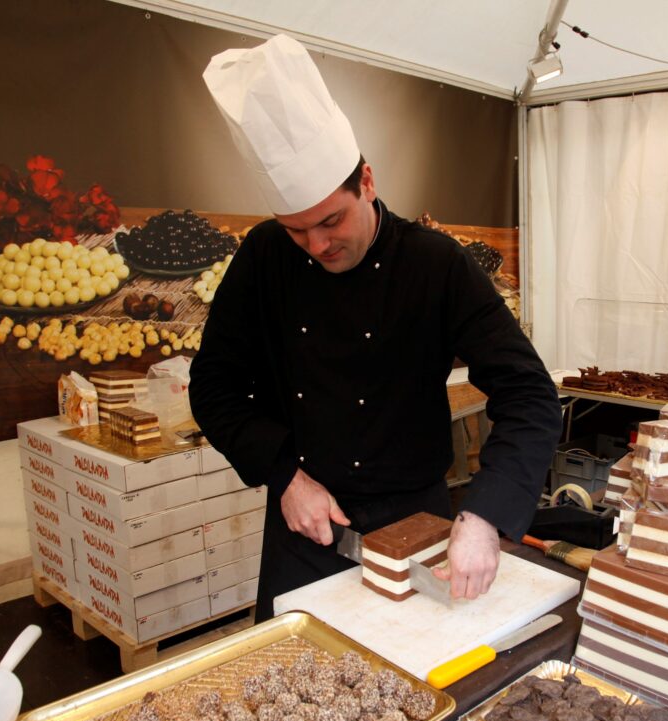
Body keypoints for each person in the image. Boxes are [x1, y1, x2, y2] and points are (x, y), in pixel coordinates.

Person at [190, 34, 562, 622]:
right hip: (306, 525)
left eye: (331, 221)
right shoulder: (263, 256)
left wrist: (485, 515)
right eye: (296, 230)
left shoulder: (436, 264)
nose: (317, 245)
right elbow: (214, 387)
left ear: (367, 181)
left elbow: (529, 393)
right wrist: (285, 477)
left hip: (418, 522)